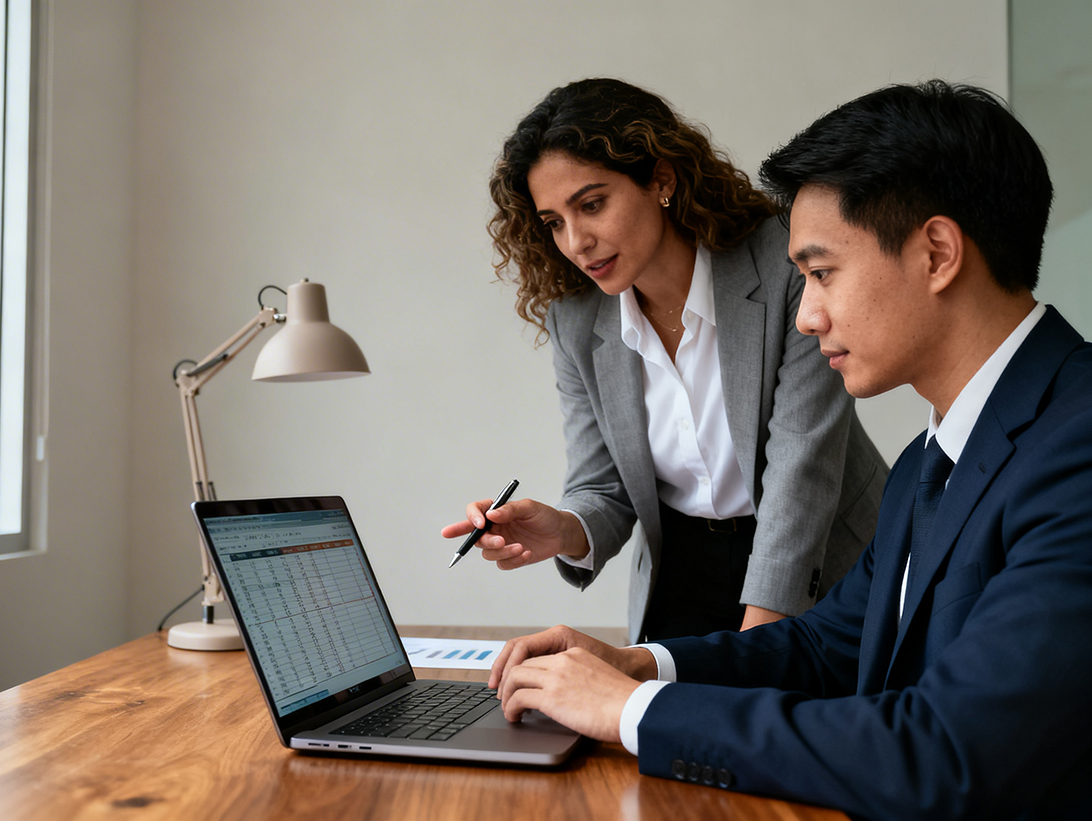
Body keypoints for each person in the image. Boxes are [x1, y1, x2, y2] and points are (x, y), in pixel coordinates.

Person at [488, 80, 1092, 820]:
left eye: (821, 272)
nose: (803, 315)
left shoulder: (1077, 450)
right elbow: (825, 647)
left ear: (936, 253)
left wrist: (633, 710)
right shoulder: (929, 459)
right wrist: (637, 664)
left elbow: (944, 752)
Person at [442, 79, 887, 641]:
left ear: (661, 180)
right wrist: (563, 528)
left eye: (592, 204)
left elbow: (802, 471)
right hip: (682, 570)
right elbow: (603, 486)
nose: (576, 241)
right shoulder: (576, 321)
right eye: (554, 221)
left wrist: (756, 649)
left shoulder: (784, 266)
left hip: (824, 560)